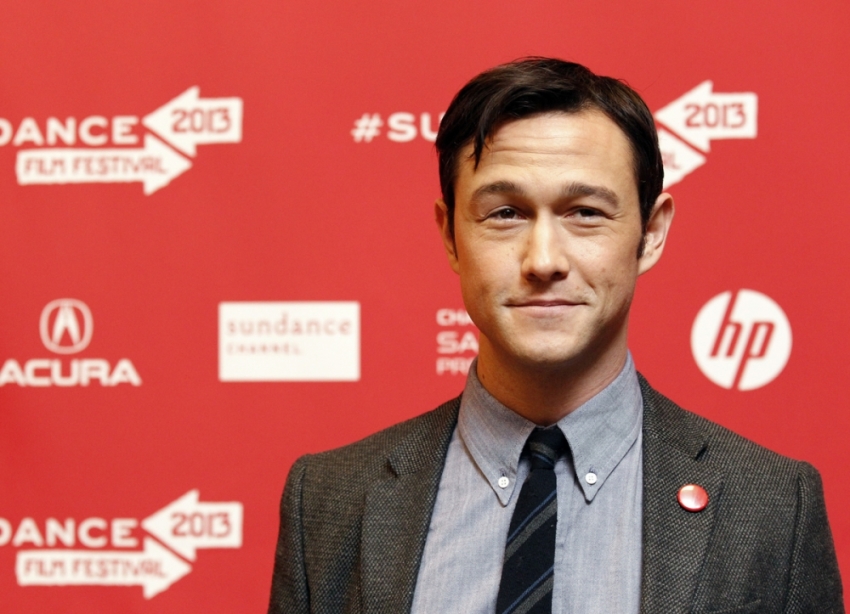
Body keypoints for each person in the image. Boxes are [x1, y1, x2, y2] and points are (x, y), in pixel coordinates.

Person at [268, 58, 844, 614]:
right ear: (450, 237)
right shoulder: (328, 498)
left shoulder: (772, 505)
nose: (543, 260)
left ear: (651, 232)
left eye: (586, 212)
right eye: (505, 214)